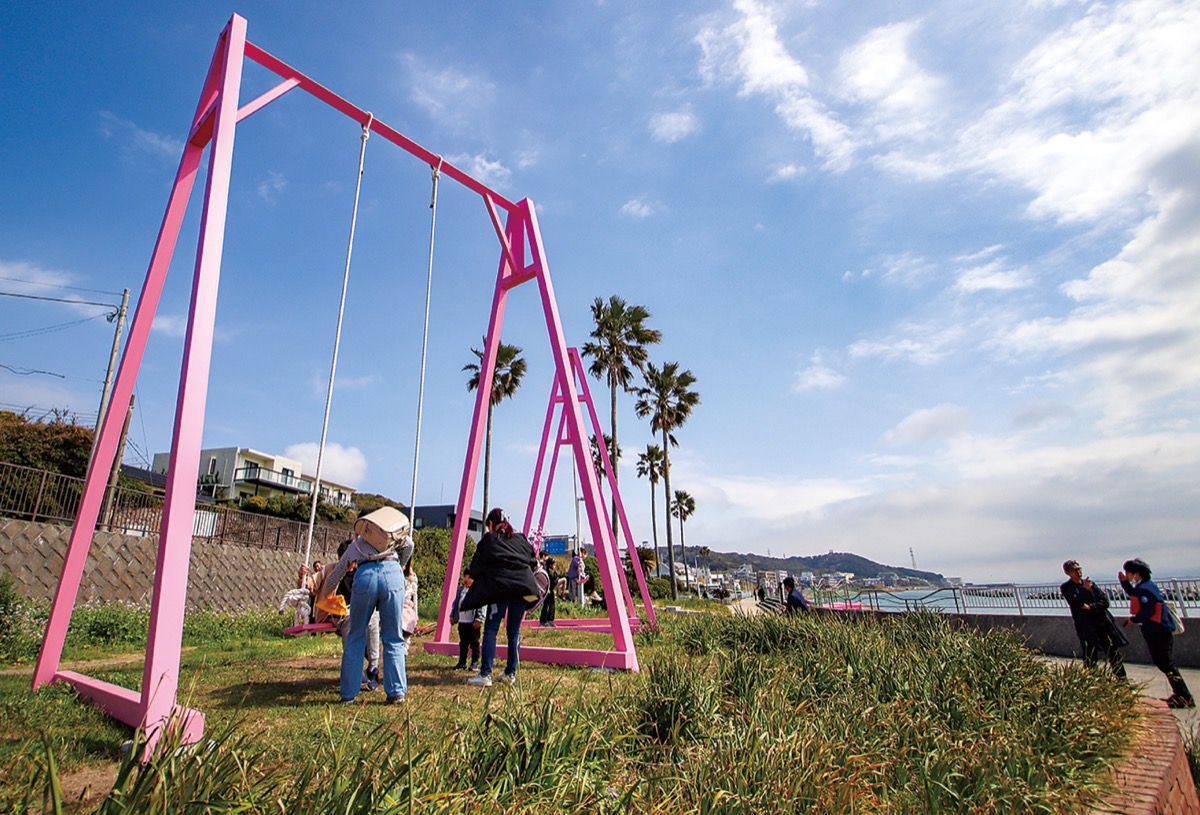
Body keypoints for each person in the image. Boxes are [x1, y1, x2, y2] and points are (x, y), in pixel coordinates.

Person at [321, 507, 414, 705]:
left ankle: (348, 694)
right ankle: (396, 692)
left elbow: (336, 573)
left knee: (355, 635)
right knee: (393, 636)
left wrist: (327, 595)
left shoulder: (358, 545)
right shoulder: (394, 538)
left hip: (365, 576)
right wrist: (400, 566)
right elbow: (410, 545)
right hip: (393, 572)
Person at [459, 507, 540, 687]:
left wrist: (472, 575)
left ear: (490, 523)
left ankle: (485, 674)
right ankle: (510, 673)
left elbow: (477, 564)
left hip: (500, 588)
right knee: (514, 631)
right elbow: (532, 557)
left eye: (488, 525)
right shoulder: (519, 538)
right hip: (522, 588)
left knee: (491, 629)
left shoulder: (490, 540)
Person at [1118, 559, 1194, 708]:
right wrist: (1125, 583)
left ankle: (1184, 695)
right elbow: (1135, 594)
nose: (1127, 574)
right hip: (1159, 629)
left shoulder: (1145, 589)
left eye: (1128, 572)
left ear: (1136, 573)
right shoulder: (1146, 586)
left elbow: (1148, 610)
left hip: (1157, 630)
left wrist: (1134, 619)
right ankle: (1180, 693)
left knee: (1165, 663)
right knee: (1165, 662)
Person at [1059, 559, 1126, 677]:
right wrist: (1085, 591)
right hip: (1086, 626)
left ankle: (1123, 682)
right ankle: (1091, 681)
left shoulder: (1090, 584)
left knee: (1113, 653)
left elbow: (1104, 601)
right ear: (1067, 572)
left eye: (1079, 569)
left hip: (1102, 623)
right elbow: (1076, 603)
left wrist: (1091, 607)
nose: (1079, 572)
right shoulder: (1066, 587)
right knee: (1090, 655)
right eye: (1075, 570)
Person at [450, 573, 485, 671]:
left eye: (469, 577)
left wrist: (479, 619)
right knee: (463, 643)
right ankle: (462, 662)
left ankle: (475, 662)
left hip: (473, 622)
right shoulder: (461, 591)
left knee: (474, 643)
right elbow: (456, 604)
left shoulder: (477, 591)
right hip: (462, 621)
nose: (466, 579)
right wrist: (453, 616)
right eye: (465, 576)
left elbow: (481, 605)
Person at [539, 555, 557, 627]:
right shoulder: (550, 571)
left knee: (546, 605)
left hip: (546, 590)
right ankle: (549, 620)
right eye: (554, 564)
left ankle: (543, 620)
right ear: (550, 564)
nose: (554, 566)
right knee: (550, 605)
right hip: (549, 591)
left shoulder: (545, 569)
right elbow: (554, 579)